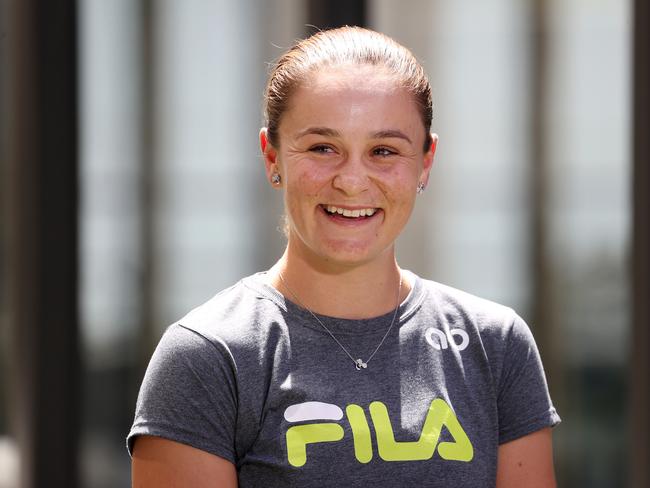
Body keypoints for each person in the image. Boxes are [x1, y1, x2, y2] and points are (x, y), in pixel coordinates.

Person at [128, 26, 560, 487]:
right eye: (323, 148)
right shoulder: (208, 356)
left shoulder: (495, 344)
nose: (352, 181)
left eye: (383, 151)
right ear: (272, 156)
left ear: (426, 161)